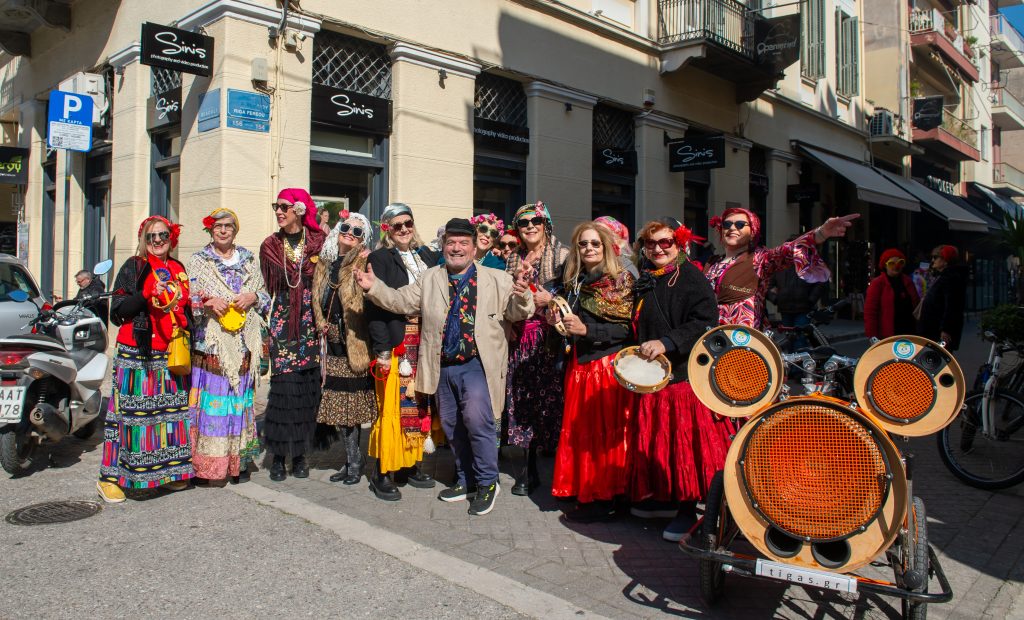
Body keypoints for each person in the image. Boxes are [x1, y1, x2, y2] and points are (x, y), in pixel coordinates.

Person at [356, 217, 534, 516]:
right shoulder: (430, 278)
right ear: (444, 245)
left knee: (478, 421)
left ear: (475, 246)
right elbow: (401, 302)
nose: (457, 248)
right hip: (442, 365)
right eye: (451, 242)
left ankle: (488, 482)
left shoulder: (498, 278)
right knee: (452, 427)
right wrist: (374, 286)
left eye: (464, 242)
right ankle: (465, 480)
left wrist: (521, 291)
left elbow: (517, 313)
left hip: (478, 363)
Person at [630, 220, 728, 542]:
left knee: (682, 444)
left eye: (665, 242)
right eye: (650, 243)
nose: (657, 249)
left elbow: (705, 321)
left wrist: (667, 343)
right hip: (655, 376)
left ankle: (687, 510)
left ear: (679, 244)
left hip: (682, 375)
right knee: (661, 441)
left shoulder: (691, 277)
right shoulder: (649, 277)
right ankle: (666, 499)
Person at [97, 215, 193, 503]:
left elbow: (186, 312)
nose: (158, 241)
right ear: (144, 240)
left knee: (168, 416)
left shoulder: (178, 268)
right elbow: (117, 312)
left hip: (170, 351)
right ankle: (110, 478)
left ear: (171, 238)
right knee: (128, 416)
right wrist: (146, 294)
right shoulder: (134, 266)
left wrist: (185, 314)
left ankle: (165, 474)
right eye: (152, 237)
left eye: (163, 235)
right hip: (136, 351)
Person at [550, 223, 635, 522]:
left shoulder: (619, 280)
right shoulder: (577, 280)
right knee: (583, 433)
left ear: (607, 247)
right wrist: (557, 319)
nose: (588, 249)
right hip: (581, 365)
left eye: (595, 244)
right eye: (583, 244)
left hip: (604, 366)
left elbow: (625, 329)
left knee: (600, 435)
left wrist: (587, 330)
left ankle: (604, 497)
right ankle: (585, 489)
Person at [186, 209, 268, 485]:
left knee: (240, 402)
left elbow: (265, 295)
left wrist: (252, 296)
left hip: (243, 341)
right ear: (210, 230)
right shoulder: (199, 261)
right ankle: (208, 466)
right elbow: (188, 298)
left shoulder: (247, 259)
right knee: (213, 404)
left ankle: (238, 463)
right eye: (218, 226)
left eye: (228, 226)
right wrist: (207, 302)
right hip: (212, 343)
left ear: (235, 230)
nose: (223, 230)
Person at [365, 203, 441, 500]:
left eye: (408, 223)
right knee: (393, 407)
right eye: (397, 225)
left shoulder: (428, 256)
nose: (405, 230)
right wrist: (382, 351)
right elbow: (375, 308)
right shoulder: (379, 258)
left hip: (426, 340)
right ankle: (383, 470)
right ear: (387, 229)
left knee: (420, 403)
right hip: (398, 340)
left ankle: (410, 463)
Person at [503, 201, 570, 495]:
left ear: (547, 225)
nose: (530, 226)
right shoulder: (513, 257)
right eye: (524, 223)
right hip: (519, 340)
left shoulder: (564, 255)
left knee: (553, 404)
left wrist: (550, 299)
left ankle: (559, 467)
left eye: (536, 222)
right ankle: (527, 470)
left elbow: (574, 294)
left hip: (552, 340)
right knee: (523, 401)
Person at [260, 188, 326, 482]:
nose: (278, 211)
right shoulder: (270, 245)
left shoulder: (318, 242)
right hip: (283, 325)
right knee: (284, 391)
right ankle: (277, 456)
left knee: (306, 391)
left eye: (284, 206)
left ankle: (300, 455)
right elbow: (264, 289)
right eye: (276, 206)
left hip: (311, 325)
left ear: (299, 209)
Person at [702, 207, 857, 328]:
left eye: (740, 224)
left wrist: (821, 233)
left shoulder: (760, 258)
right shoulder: (713, 262)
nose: (732, 228)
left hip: (744, 339)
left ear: (752, 232)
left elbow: (788, 250)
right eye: (727, 224)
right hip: (711, 337)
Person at [312, 210, 377, 485]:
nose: (350, 233)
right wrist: (321, 322)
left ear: (364, 238)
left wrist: (361, 266)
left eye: (357, 231)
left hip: (355, 342)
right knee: (339, 408)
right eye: (346, 228)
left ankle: (354, 463)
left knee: (352, 409)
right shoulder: (325, 264)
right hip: (332, 342)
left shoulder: (364, 263)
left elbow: (365, 301)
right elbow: (316, 298)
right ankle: (351, 460)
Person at [917, 244, 966, 351]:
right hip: (933, 330)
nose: (932, 260)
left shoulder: (950, 278)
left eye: (935, 257)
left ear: (945, 260)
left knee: (936, 361)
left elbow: (952, 306)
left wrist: (946, 329)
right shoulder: (943, 276)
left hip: (938, 332)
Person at [863, 248, 919, 340]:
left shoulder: (908, 281)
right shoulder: (878, 283)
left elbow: (916, 304)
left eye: (900, 262)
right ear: (885, 265)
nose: (896, 266)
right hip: (888, 336)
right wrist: (872, 336)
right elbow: (870, 312)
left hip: (909, 333)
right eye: (891, 263)